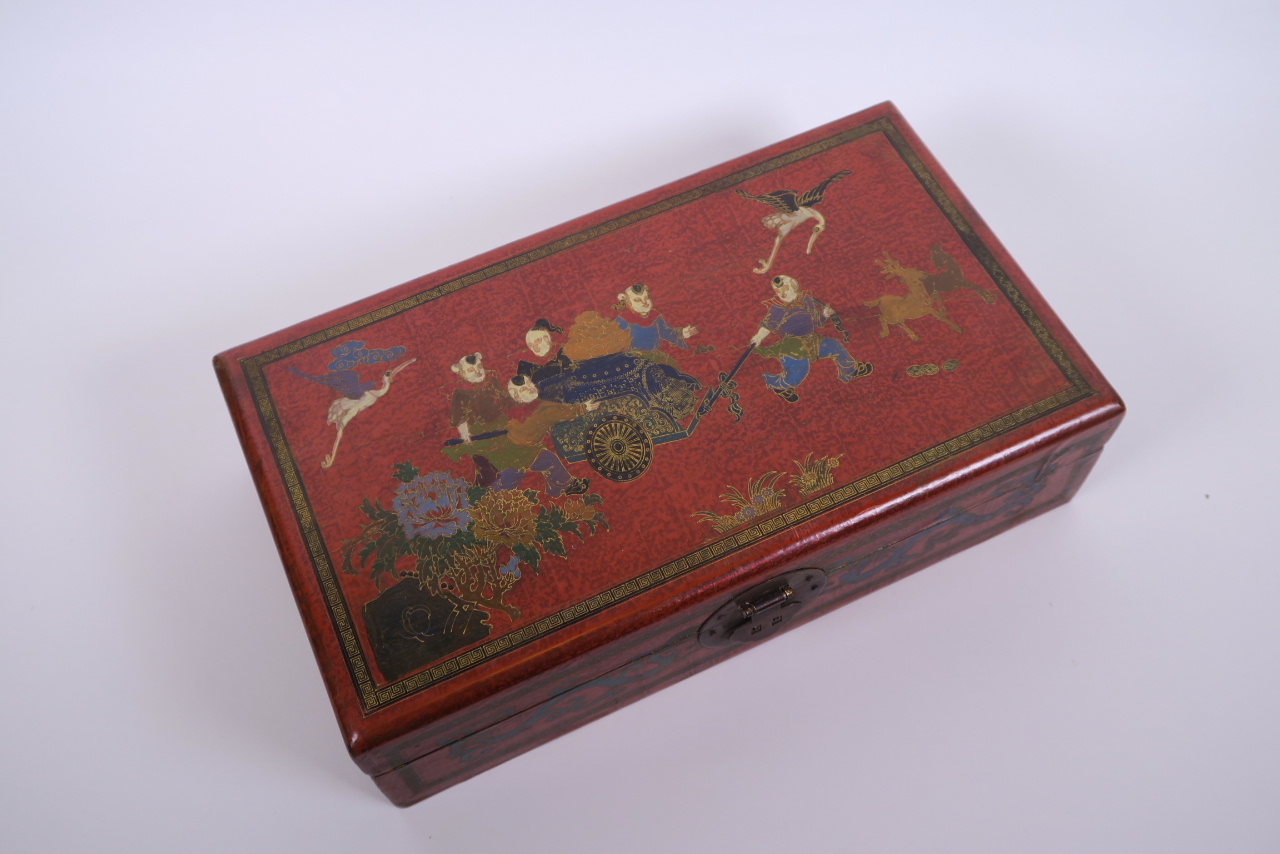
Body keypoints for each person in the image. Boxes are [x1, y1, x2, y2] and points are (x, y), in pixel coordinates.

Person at [749, 275, 872, 402]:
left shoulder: (807, 301)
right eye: (778, 291)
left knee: (833, 345)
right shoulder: (777, 308)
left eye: (785, 289)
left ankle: (851, 370)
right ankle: (780, 386)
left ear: (794, 287)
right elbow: (767, 326)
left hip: (812, 340)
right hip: (792, 346)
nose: (782, 293)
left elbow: (817, 322)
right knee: (799, 372)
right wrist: (758, 337)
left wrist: (825, 314)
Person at [483, 375, 597, 496]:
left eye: (530, 383)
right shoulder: (534, 409)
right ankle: (491, 495)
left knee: (550, 462)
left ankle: (561, 488)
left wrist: (581, 407)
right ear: (516, 396)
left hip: (530, 448)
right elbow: (561, 413)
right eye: (524, 389)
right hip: (515, 451)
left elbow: (559, 410)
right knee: (510, 479)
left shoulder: (539, 404)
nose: (530, 388)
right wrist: (584, 408)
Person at [613, 283, 701, 366]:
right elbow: (617, 344)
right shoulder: (623, 320)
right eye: (638, 300)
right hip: (632, 361)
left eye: (646, 298)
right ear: (627, 301)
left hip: (655, 358)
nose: (645, 303)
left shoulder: (655, 316)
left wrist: (684, 332)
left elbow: (667, 332)